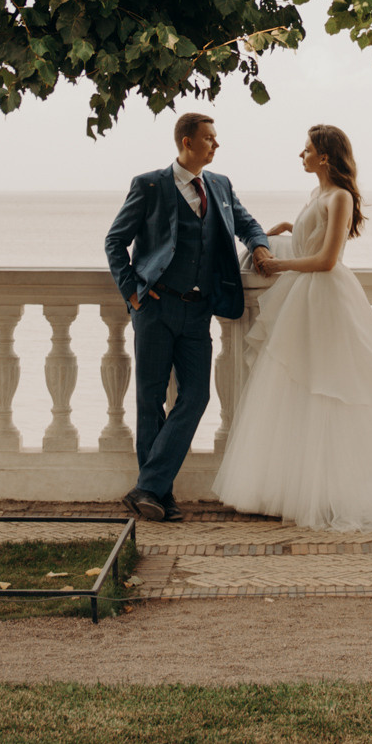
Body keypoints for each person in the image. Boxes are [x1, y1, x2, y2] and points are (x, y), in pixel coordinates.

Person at [211, 124, 372, 531]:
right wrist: (289, 230)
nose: (302, 155)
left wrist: (278, 264)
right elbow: (314, 239)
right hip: (304, 297)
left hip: (326, 298)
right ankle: (297, 488)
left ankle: (338, 491)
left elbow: (327, 260)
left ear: (325, 156)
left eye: (307, 149)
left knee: (331, 385)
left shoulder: (340, 196)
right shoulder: (318, 195)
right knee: (299, 387)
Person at [103, 111, 274, 523]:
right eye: (210, 138)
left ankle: (149, 486)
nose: (216, 144)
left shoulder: (220, 185)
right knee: (150, 399)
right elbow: (115, 241)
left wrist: (260, 245)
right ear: (187, 142)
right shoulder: (149, 185)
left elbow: (247, 223)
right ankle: (161, 495)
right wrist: (133, 293)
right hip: (155, 307)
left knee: (197, 396)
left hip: (198, 310)